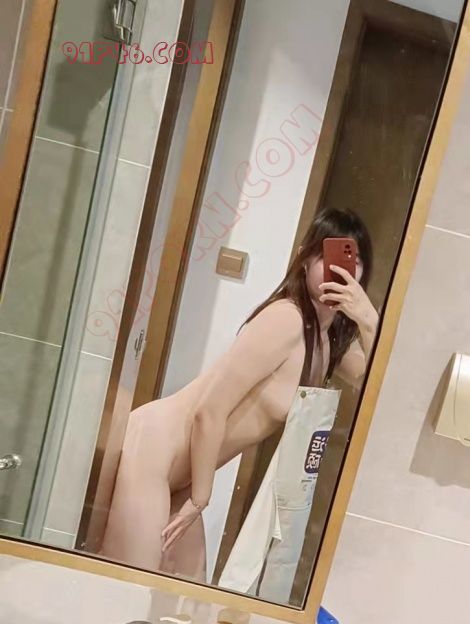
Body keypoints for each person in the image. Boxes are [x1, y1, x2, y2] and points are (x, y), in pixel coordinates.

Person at [100, 207, 377, 580]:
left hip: (184, 474)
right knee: (129, 589)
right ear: (303, 259)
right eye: (327, 256)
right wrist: (201, 498)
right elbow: (210, 411)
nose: (341, 270)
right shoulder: (287, 319)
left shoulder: (328, 341)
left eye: (353, 261)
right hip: (153, 451)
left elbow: (375, 382)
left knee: (182, 596)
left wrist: (368, 318)